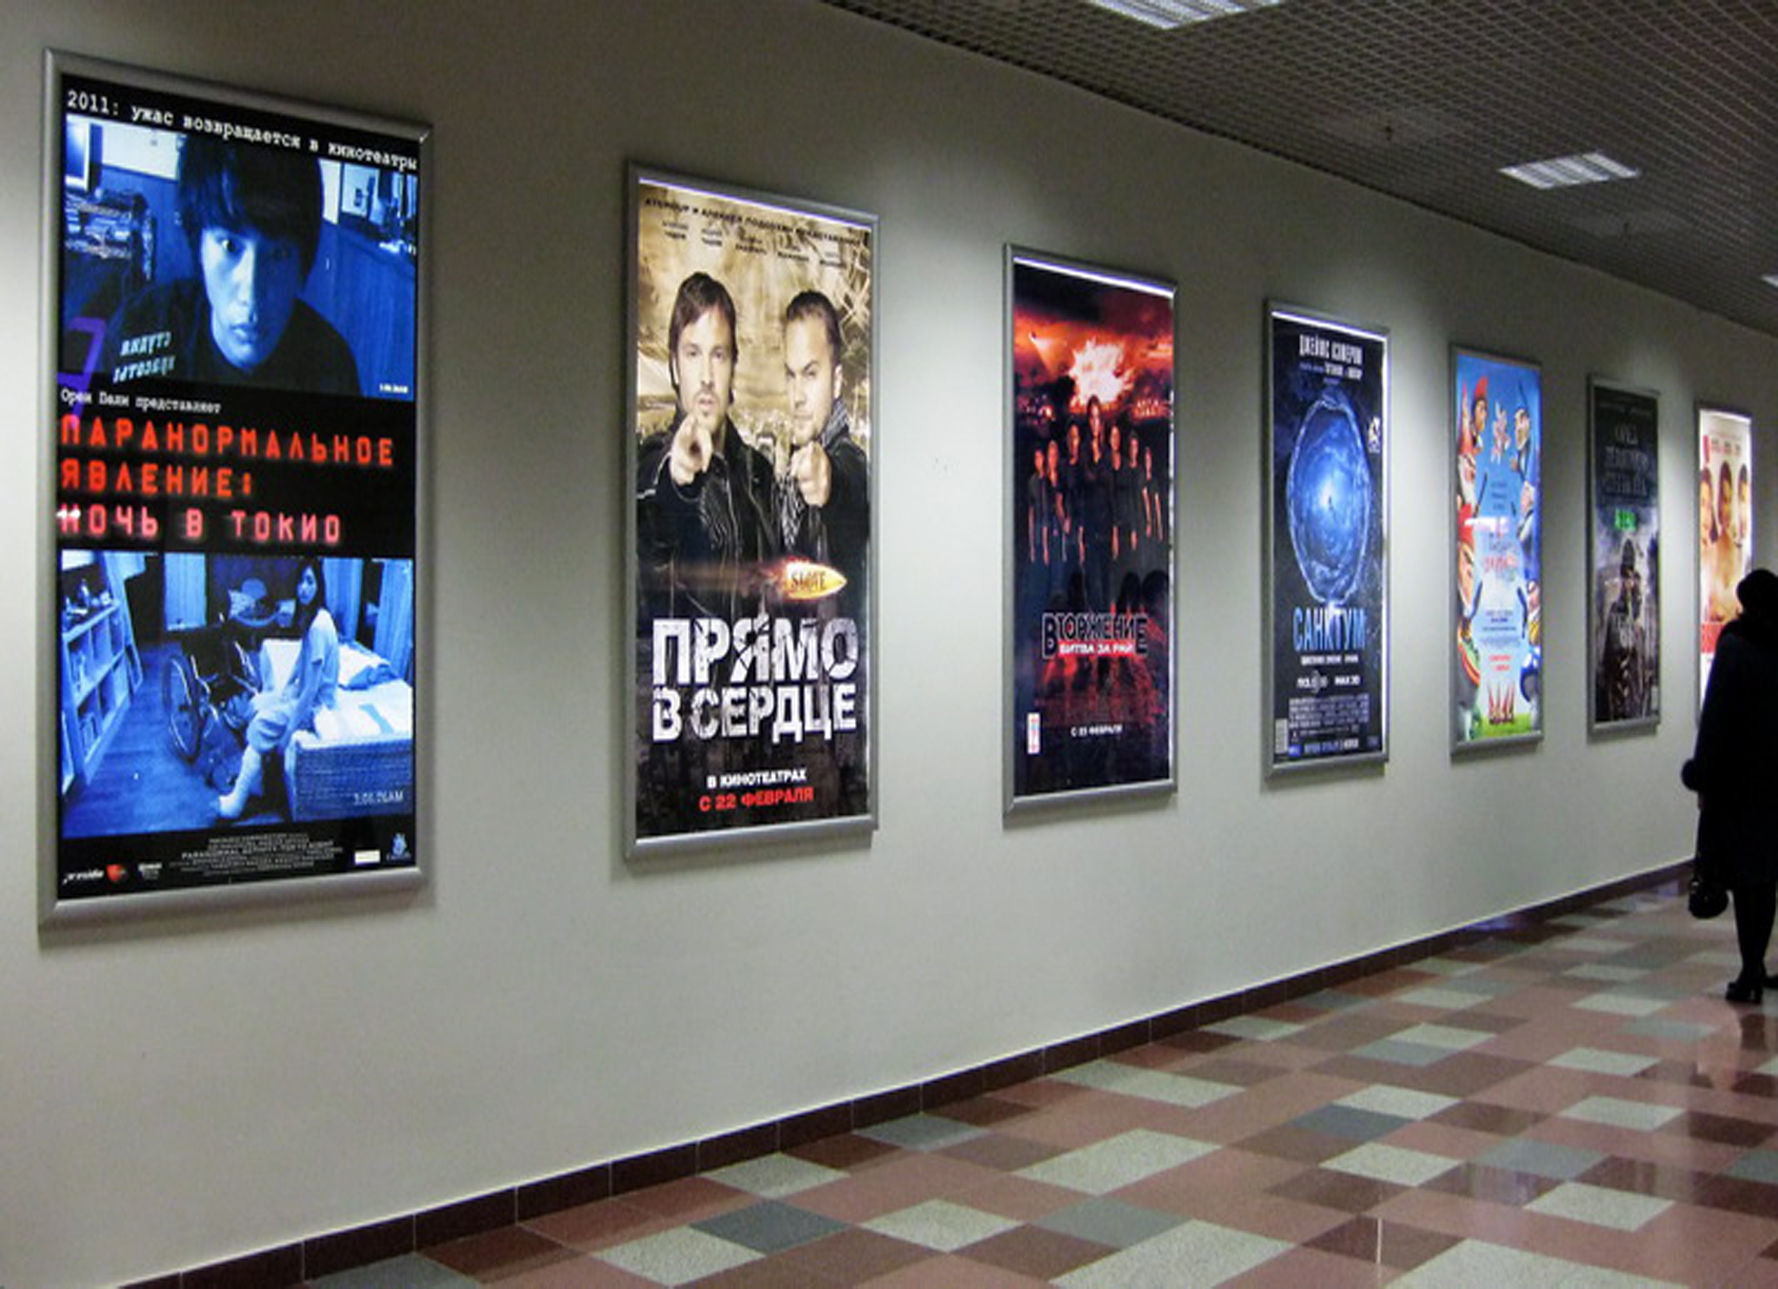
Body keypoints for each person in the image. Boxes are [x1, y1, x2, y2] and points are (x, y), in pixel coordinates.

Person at [100, 135, 360, 395]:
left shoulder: (331, 365)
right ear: (198, 244)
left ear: (303, 258)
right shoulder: (139, 327)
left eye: (278, 254)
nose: (251, 296)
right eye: (230, 246)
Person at [636, 272, 778, 619]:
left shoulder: (758, 474)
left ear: (733, 368)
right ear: (674, 366)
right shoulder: (650, 464)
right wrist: (679, 478)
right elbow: (654, 503)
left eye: (718, 355)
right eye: (692, 353)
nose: (706, 376)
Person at [1684, 569, 1778, 1002]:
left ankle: (1750, 968)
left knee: (1747, 880)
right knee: (1769, 877)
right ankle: (1759, 963)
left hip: (1740, 786)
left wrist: (1701, 774)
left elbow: (1716, 718)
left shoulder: (1736, 648)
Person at [218, 558, 339, 820]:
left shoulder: (319, 626)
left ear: (319, 586)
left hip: (317, 707)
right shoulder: (312, 617)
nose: (304, 588)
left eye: (310, 582)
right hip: (304, 694)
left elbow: (310, 691)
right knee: (256, 703)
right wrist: (283, 692)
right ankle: (257, 778)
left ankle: (237, 800)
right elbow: (301, 660)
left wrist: (288, 732)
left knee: (261, 722)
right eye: (300, 582)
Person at [776, 289, 868, 606]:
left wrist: (829, 481)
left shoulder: (849, 462)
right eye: (790, 376)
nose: (797, 395)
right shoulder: (791, 466)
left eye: (810, 374)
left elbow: (849, 482)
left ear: (837, 381)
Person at [1597, 537, 1649, 720]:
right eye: (1625, 576)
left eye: (1631, 577)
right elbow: (1608, 659)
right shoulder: (1615, 614)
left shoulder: (1638, 612)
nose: (1629, 582)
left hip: (1635, 696)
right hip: (1619, 696)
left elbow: (1642, 664)